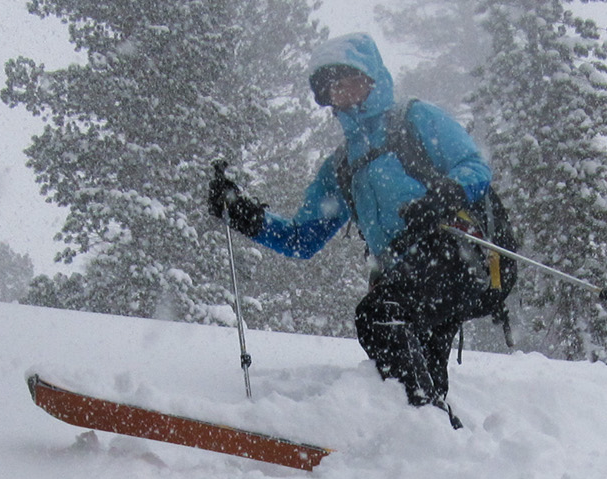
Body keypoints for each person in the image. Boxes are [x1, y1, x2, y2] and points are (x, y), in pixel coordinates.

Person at [208, 34, 500, 422]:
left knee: (378, 315)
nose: (339, 90)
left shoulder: (416, 119)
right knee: (424, 369)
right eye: (328, 86)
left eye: (347, 78)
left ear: (374, 77)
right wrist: (246, 215)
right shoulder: (342, 165)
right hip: (403, 274)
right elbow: (303, 239)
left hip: (452, 256)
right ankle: (437, 448)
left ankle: (425, 426)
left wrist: (442, 197)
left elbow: (475, 167)